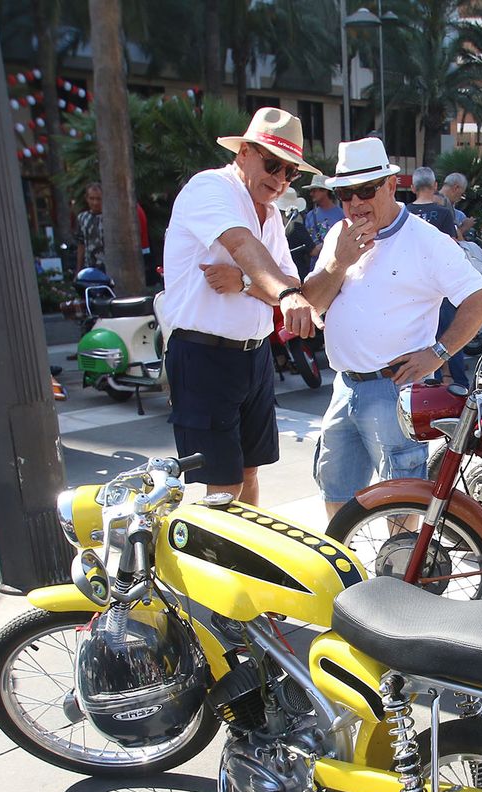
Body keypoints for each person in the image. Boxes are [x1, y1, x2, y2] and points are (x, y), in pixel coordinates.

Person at [303, 137, 482, 519]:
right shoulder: (339, 237)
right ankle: (348, 576)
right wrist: (339, 261)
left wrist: (438, 353)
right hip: (344, 386)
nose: (355, 203)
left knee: (401, 505)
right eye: (345, 193)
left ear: (391, 185)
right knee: (337, 493)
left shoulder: (427, 241)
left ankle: (397, 577)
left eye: (365, 190)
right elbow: (315, 303)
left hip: (393, 391)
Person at [168, 107, 323, 504]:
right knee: (224, 485)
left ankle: (245, 565)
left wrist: (246, 281)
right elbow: (241, 244)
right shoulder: (212, 188)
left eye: (291, 173)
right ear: (244, 152)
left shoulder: (269, 212)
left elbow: (290, 279)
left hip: (253, 357)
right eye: (273, 165)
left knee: (249, 472)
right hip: (205, 354)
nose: (281, 179)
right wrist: (282, 294)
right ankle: (219, 565)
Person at [406, 167, 457, 238]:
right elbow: (451, 243)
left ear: (413, 188)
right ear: (435, 185)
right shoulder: (445, 213)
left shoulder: (404, 213)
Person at [303, 178, 345, 260]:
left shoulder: (342, 215)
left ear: (325, 191)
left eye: (314, 190)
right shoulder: (310, 215)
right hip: (315, 266)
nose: (311, 194)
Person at [75, 183, 104, 272]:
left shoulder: (110, 218)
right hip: (90, 267)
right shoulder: (82, 218)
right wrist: (78, 270)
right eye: (92, 198)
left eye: (98, 199)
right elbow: (81, 244)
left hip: (108, 266)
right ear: (87, 198)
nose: (95, 202)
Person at [439, 172, 474, 240]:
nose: (459, 198)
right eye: (461, 194)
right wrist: (465, 227)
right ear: (456, 188)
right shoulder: (446, 204)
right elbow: (451, 237)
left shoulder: (431, 198)